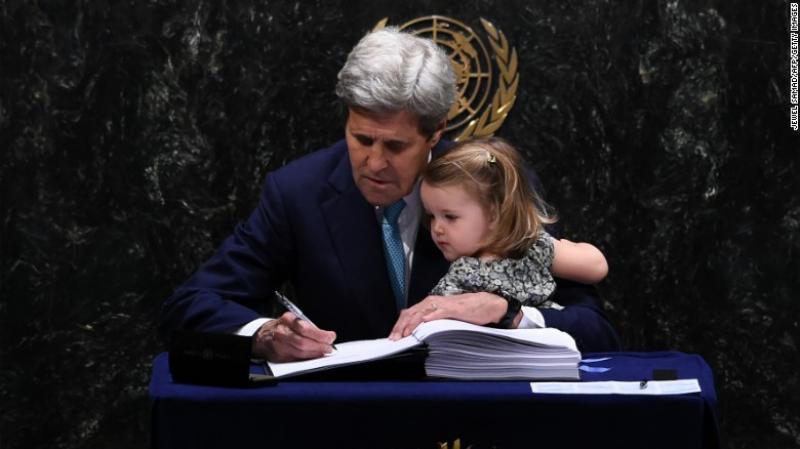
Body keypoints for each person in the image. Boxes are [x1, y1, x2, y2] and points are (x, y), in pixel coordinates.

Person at [158, 28, 620, 363]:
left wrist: (510, 313)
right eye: (361, 139)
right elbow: (191, 304)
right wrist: (264, 334)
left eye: (396, 146)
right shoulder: (297, 192)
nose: (374, 163)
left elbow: (598, 333)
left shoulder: (491, 183)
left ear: (436, 132)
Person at [389, 137, 608, 339]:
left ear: (494, 214)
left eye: (450, 217)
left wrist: (563, 248)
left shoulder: (529, 247)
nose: (436, 228)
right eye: (431, 216)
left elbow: (596, 267)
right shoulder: (459, 274)